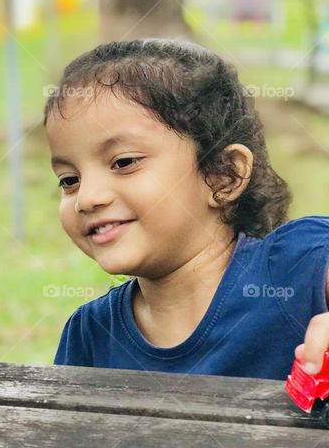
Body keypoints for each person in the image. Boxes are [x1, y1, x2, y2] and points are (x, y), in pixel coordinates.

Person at [45, 39, 329, 379]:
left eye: (123, 162)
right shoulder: (90, 335)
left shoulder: (300, 266)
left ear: (222, 175)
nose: (87, 198)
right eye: (68, 179)